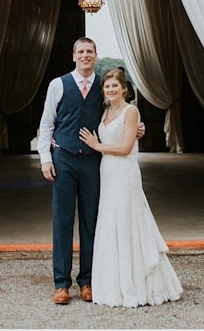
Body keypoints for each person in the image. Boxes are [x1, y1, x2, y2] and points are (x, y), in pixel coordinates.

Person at [37, 37, 143, 305]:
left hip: (94, 163)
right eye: (80, 52)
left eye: (90, 51)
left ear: (96, 56)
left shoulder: (103, 87)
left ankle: (88, 281)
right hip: (64, 159)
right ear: (74, 56)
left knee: (92, 221)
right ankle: (62, 284)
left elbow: (120, 115)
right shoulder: (58, 85)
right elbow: (47, 124)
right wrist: (45, 159)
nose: (85, 55)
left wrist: (139, 129)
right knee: (62, 222)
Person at [78, 68, 183, 307]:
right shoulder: (105, 111)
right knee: (110, 222)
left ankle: (136, 283)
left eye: (115, 86)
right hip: (107, 173)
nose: (111, 90)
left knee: (127, 222)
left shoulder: (131, 111)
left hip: (125, 173)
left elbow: (125, 148)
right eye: (107, 87)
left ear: (124, 89)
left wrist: (96, 145)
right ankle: (111, 283)